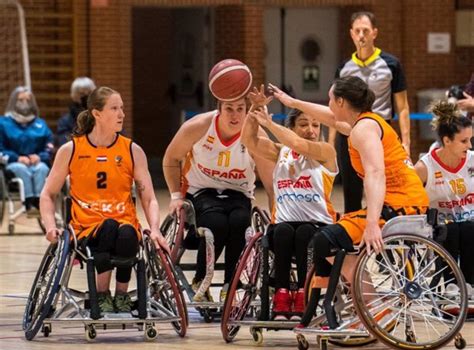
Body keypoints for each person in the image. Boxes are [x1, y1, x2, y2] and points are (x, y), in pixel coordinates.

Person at [268, 76, 429, 326]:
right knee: (330, 237)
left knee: (325, 239)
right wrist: (292, 101)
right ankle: (366, 301)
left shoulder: (364, 130)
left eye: (331, 98)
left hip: (400, 205)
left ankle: (372, 306)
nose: (328, 103)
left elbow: (376, 173)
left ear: (341, 101)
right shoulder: (363, 123)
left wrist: (373, 222)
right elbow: (329, 118)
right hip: (404, 200)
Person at [40, 86, 169, 314]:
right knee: (108, 227)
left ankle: (120, 296)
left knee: (128, 231)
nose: (121, 114)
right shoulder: (71, 150)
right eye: (114, 108)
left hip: (124, 223)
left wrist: (156, 229)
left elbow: (149, 198)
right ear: (97, 114)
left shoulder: (132, 150)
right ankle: (101, 294)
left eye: (122, 108)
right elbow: (48, 194)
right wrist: (50, 227)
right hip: (86, 227)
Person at [163, 82, 274, 303]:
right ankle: (201, 279)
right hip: (200, 191)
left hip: (238, 193)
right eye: (229, 109)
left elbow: (271, 184)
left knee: (240, 221)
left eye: (240, 109)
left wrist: (276, 217)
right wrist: (176, 196)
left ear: (247, 110)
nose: (235, 115)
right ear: (219, 109)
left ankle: (231, 284)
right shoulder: (198, 126)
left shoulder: (255, 135)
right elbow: (170, 159)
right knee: (216, 223)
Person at [242, 87, 338, 320]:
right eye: (304, 124)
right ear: (293, 127)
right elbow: (248, 140)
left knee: (305, 232)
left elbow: (299, 144)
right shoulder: (280, 152)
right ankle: (282, 293)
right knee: (283, 231)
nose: (311, 130)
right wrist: (254, 109)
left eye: (316, 125)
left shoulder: (326, 152)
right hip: (283, 224)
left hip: (318, 226)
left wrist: (270, 124)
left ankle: (306, 293)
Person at [328, 11, 411, 213]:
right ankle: (353, 235)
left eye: (365, 30)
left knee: (381, 185)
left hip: (379, 131)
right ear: (351, 34)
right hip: (347, 132)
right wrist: (330, 143)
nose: (361, 35)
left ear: (374, 33)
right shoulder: (344, 67)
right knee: (351, 191)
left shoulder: (391, 64)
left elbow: (403, 106)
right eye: (357, 31)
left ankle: (381, 232)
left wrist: (406, 142)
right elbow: (334, 106)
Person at [415, 100, 473, 288]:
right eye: (464, 141)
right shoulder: (424, 168)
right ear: (447, 141)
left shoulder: (472, 160)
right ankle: (452, 287)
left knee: (467, 228)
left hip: (470, 223)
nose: (469, 145)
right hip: (438, 226)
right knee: (453, 229)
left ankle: (469, 286)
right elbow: (411, 200)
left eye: (471, 139)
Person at [0, 86, 53, 216]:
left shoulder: (41, 124)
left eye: (28, 100)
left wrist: (40, 156)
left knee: (41, 169)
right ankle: (29, 203)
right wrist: (16, 158)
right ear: (13, 102)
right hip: (14, 163)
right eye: (20, 100)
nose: (24, 103)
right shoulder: (3, 123)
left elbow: (49, 146)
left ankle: (39, 202)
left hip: (36, 162)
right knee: (21, 168)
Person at [56, 77, 96, 147]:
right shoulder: (64, 122)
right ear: (74, 95)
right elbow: (65, 144)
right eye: (82, 94)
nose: (86, 97)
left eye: (89, 93)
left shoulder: (101, 115)